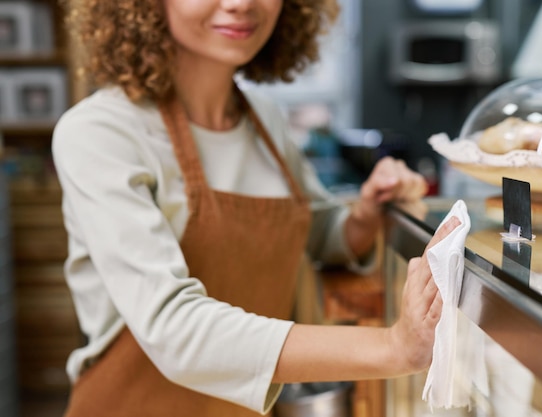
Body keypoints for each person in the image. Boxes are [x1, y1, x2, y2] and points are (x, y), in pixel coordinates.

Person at [53, 0, 460, 416]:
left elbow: (319, 233)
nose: (240, 4)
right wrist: (393, 348)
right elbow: (175, 333)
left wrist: (366, 212)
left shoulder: (264, 121)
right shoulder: (99, 133)